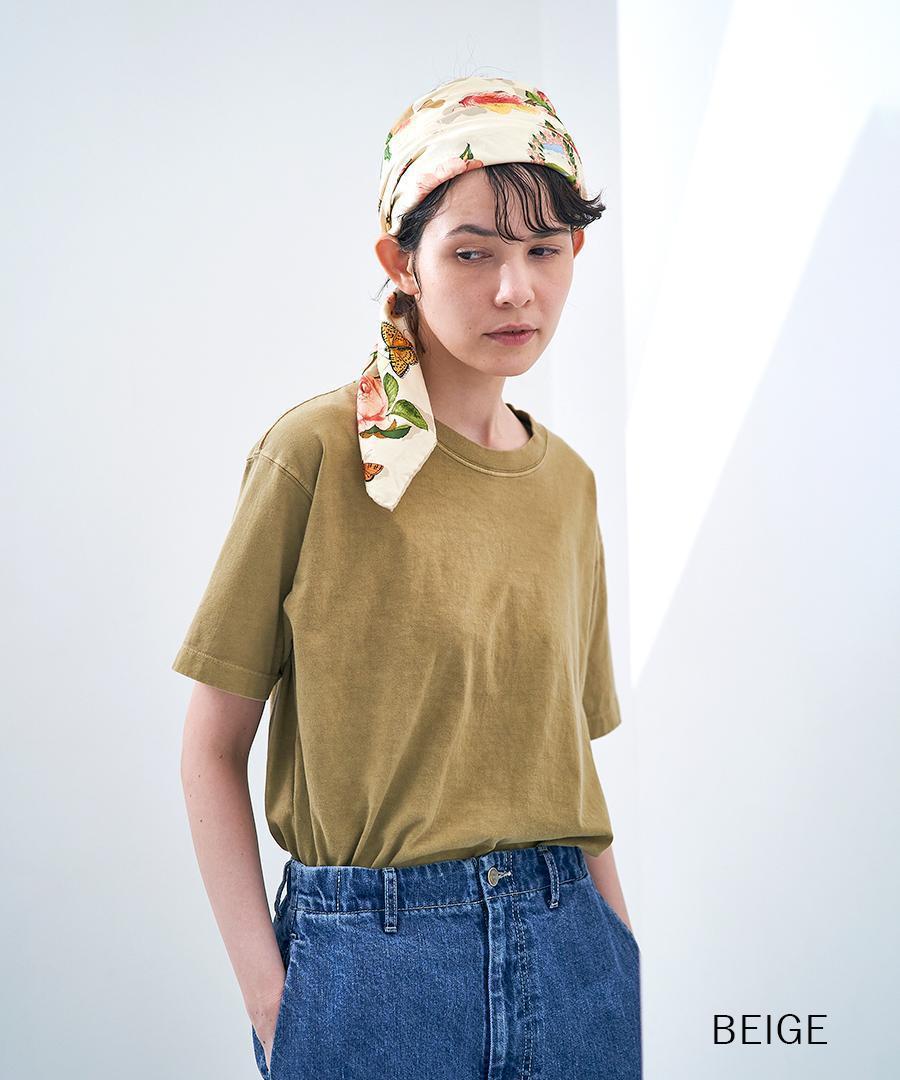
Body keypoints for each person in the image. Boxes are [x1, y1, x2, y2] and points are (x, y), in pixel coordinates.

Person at [173, 73, 641, 1079]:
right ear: (402, 262)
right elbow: (211, 746)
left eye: (544, 250)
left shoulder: (570, 485)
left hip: (573, 954)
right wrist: (273, 999)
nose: (514, 290)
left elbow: (567, 758)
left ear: (575, 255)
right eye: (472, 252)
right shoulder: (315, 454)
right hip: (372, 968)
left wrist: (621, 955)